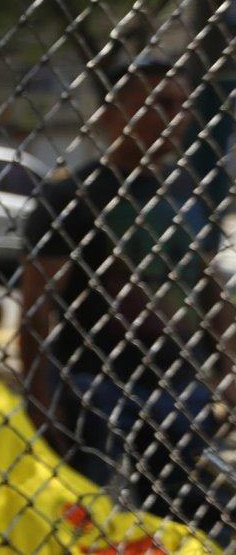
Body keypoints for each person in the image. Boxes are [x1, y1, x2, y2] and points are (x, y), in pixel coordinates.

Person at [21, 57, 235, 537]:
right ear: (112, 113)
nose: (175, 117)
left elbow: (208, 286)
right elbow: (37, 307)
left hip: (178, 381)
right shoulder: (73, 195)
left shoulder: (187, 191)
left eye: (182, 106)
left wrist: (226, 369)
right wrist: (40, 397)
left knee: (182, 518)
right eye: (158, 103)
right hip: (94, 382)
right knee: (84, 516)